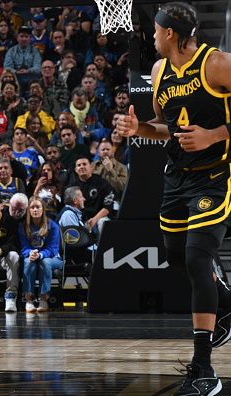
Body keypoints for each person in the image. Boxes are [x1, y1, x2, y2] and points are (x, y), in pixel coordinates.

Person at [115, 3, 231, 394]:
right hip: (177, 177)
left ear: (170, 34)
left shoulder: (216, 64)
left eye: (156, 29)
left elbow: (207, 132)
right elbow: (166, 129)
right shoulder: (160, 71)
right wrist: (140, 127)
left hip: (214, 178)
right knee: (176, 254)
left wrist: (214, 136)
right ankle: (226, 301)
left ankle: (204, 369)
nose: (151, 35)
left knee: (199, 257)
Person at [18, 197, 63, 313]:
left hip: (53, 258)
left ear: (43, 209)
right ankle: (28, 300)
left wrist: (40, 255)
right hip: (33, 256)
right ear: (28, 210)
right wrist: (30, 253)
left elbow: (53, 249)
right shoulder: (23, 226)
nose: (35, 210)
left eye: (38, 207)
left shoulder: (53, 226)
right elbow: (23, 247)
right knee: (28, 261)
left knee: (45, 261)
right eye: (32, 207)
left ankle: (43, 299)